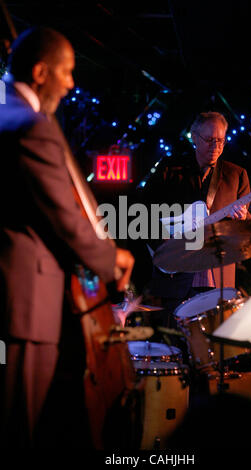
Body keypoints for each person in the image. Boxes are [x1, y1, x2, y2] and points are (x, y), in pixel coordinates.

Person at [0, 27, 134, 448]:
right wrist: (112, 260)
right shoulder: (32, 125)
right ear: (41, 72)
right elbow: (68, 220)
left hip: (15, 299)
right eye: (67, 72)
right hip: (22, 303)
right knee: (17, 428)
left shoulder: (6, 113)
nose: (72, 83)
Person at [140, 111, 251, 321]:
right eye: (209, 140)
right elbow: (143, 216)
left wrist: (243, 220)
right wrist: (166, 254)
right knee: (173, 343)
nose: (215, 146)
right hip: (176, 275)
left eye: (220, 140)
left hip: (218, 277)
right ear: (194, 137)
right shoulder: (169, 169)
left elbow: (248, 233)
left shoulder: (237, 174)